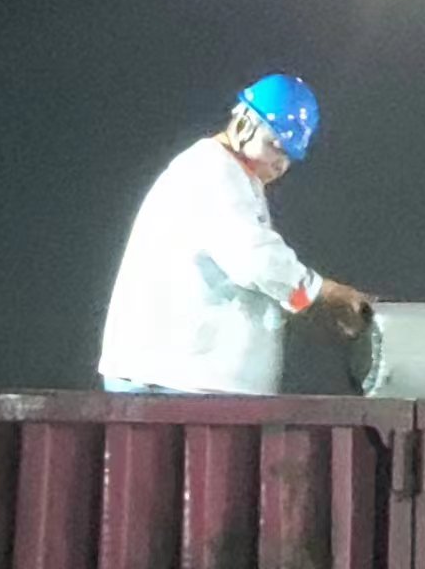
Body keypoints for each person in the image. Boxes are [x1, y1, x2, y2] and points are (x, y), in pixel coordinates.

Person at [98, 73, 372, 394]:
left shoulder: (231, 177)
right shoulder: (213, 172)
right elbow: (255, 259)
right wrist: (319, 293)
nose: (280, 164)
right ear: (244, 123)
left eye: (289, 156)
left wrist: (303, 302)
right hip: (173, 382)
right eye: (275, 147)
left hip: (181, 382)